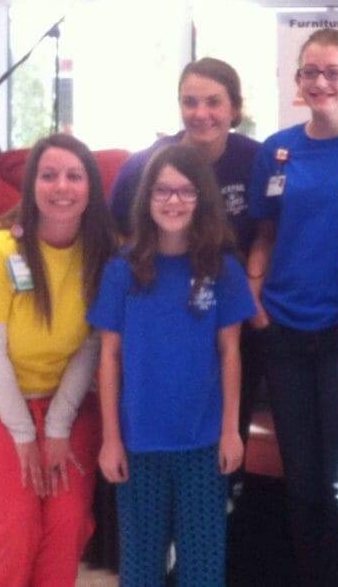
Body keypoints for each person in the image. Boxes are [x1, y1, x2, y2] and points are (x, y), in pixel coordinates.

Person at [0, 133, 118, 587]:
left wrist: (55, 427)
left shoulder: (102, 256)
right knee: (16, 527)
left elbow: (90, 347)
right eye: (49, 175)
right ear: (31, 185)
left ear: (91, 188)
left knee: (68, 524)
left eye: (74, 176)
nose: (62, 187)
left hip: (61, 399)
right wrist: (23, 435)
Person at [247, 27, 338, 587]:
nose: (321, 82)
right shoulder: (276, 150)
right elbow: (265, 233)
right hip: (283, 329)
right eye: (311, 72)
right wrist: (258, 298)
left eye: (333, 72)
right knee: (302, 482)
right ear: (297, 81)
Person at [89, 143, 255, 586]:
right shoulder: (121, 270)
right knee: (141, 566)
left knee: (203, 567)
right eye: (162, 191)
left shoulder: (223, 269)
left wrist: (230, 431)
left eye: (185, 191)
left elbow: (230, 353)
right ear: (146, 200)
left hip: (202, 442)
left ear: (202, 199)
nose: (173, 201)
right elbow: (109, 356)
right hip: (138, 443)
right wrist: (110, 440)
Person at [107, 57, 262, 444]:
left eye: (213, 102)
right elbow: (113, 233)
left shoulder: (255, 160)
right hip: (163, 324)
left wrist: (255, 289)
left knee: (227, 436)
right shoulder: (145, 165)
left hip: (230, 316)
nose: (201, 113)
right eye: (190, 102)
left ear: (235, 108)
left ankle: (227, 500)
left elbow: (270, 231)